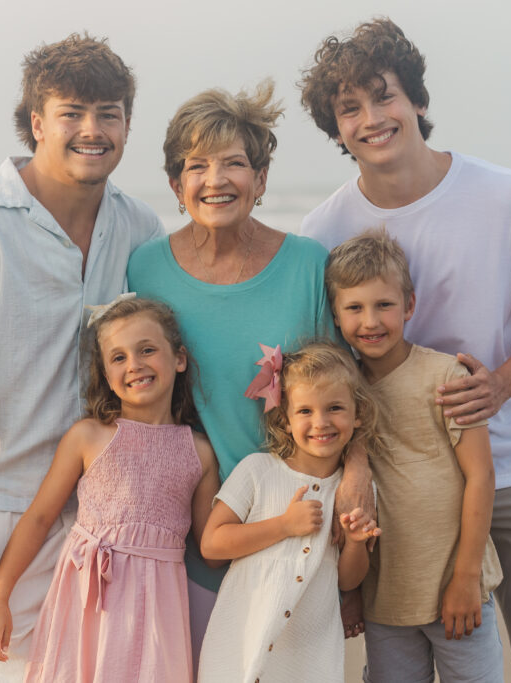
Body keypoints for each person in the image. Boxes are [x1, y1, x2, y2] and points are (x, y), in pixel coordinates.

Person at [300, 18, 511, 683]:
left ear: (419, 103)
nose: (371, 119)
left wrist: (500, 385)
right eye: (350, 109)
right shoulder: (323, 231)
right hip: (399, 486)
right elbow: (331, 369)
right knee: (404, 660)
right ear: (337, 129)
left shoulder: (509, 198)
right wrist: (351, 467)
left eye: (385, 96)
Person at [0, 34, 163, 680]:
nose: (91, 130)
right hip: (1, 506)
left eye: (108, 113)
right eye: (72, 113)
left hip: (105, 514)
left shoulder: (137, 227)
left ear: (127, 124)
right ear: (37, 122)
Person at [126, 80, 368, 669]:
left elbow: (346, 393)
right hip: (198, 537)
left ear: (260, 180)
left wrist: (358, 471)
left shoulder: (308, 263)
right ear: (176, 186)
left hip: (304, 533)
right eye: (197, 165)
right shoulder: (145, 268)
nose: (216, 180)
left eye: (235, 163)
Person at [0, 297, 219, 681]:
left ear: (179, 358)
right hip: (88, 605)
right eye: (118, 358)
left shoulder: (200, 452)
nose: (134, 365)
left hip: (159, 610)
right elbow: (40, 518)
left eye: (147, 350)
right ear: (106, 376)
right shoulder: (89, 437)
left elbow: (212, 548)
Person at [326, 230, 504, 682]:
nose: (370, 321)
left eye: (384, 305)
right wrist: (351, 594)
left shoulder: (445, 376)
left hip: (456, 588)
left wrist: (466, 577)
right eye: (354, 308)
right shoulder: (340, 394)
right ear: (336, 314)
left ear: (408, 306)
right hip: (386, 598)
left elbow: (481, 477)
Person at [198, 341, 382, 682]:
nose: (321, 422)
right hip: (240, 647)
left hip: (308, 655)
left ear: (358, 414)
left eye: (335, 408)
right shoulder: (258, 471)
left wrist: (356, 543)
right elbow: (212, 544)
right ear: (285, 420)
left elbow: (347, 580)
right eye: (305, 411)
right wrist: (284, 525)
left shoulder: (356, 492)